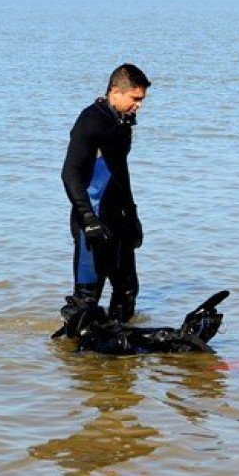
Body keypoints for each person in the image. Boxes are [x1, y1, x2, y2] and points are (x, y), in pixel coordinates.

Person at [60, 63, 151, 326]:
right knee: (87, 298)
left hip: (118, 219)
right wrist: (88, 219)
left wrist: (133, 216)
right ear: (115, 92)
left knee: (127, 292)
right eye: (135, 99)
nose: (139, 105)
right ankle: (75, 357)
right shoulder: (90, 121)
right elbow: (70, 174)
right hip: (93, 218)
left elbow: (120, 173)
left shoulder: (122, 124)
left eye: (142, 100)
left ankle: (117, 353)